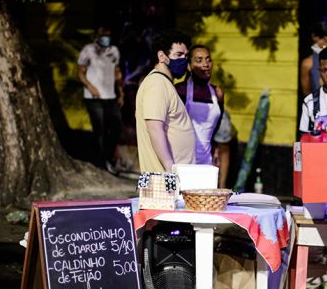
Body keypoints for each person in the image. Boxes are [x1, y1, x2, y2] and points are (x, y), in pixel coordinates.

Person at [135, 29, 195, 172]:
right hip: (166, 182)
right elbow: (154, 128)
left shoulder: (164, 83)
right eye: (178, 55)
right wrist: (169, 168)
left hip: (178, 177)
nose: (183, 60)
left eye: (185, 56)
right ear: (162, 56)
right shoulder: (157, 83)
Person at [175, 45, 232, 187]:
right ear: (189, 66)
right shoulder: (179, 91)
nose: (205, 64)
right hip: (183, 162)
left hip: (207, 163)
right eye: (199, 60)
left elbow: (216, 126)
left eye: (208, 60)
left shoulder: (217, 93)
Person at [77, 26, 124, 173]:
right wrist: (90, 87)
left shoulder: (114, 51)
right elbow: (80, 72)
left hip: (110, 96)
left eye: (108, 35)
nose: (106, 38)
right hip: (94, 97)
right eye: (104, 35)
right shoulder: (88, 50)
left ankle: (108, 157)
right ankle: (100, 163)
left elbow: (117, 73)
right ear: (97, 36)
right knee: (99, 129)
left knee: (117, 128)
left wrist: (121, 93)